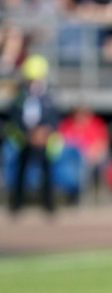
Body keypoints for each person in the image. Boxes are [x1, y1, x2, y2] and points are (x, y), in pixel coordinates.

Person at [5, 54, 59, 215]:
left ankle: (49, 205)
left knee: (47, 171)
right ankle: (17, 204)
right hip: (25, 139)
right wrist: (28, 133)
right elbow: (15, 117)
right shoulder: (20, 96)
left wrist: (45, 131)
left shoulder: (49, 96)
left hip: (45, 140)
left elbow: (54, 117)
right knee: (21, 170)